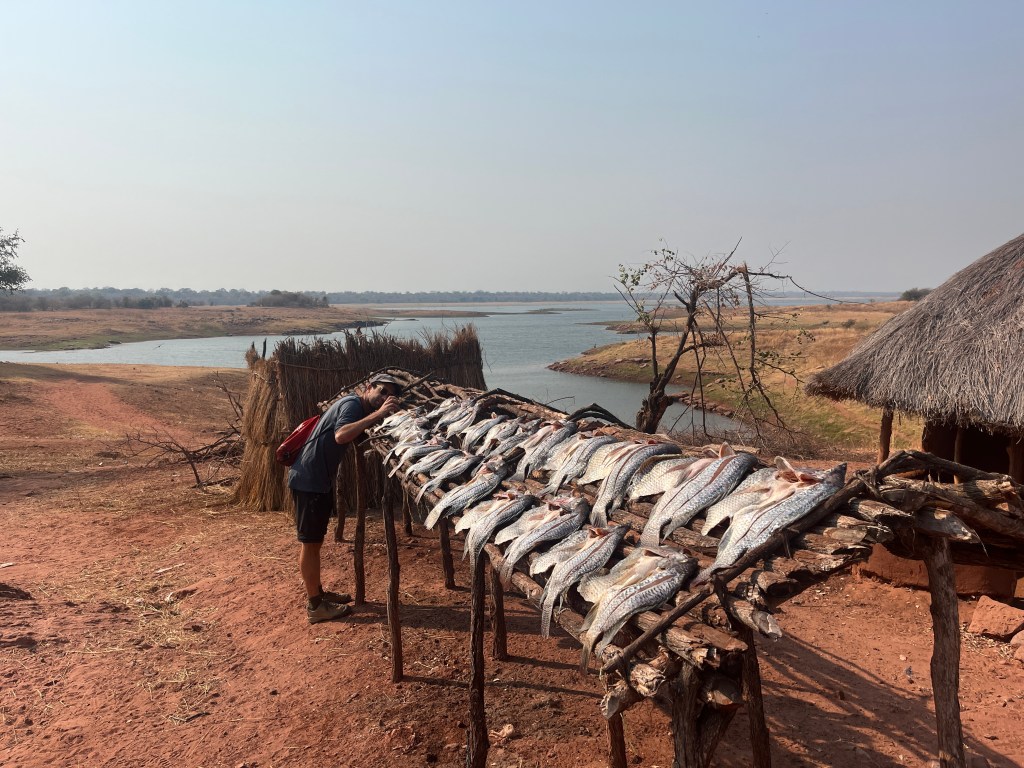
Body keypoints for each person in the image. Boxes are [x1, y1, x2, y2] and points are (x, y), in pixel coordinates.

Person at [288, 374, 403, 623]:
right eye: (381, 391)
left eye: (389, 395)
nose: (384, 398)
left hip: (315, 479)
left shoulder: (355, 406)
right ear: (368, 387)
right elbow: (341, 435)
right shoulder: (352, 405)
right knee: (310, 543)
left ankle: (317, 592)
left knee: (315, 542)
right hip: (309, 480)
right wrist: (379, 413)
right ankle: (315, 606)